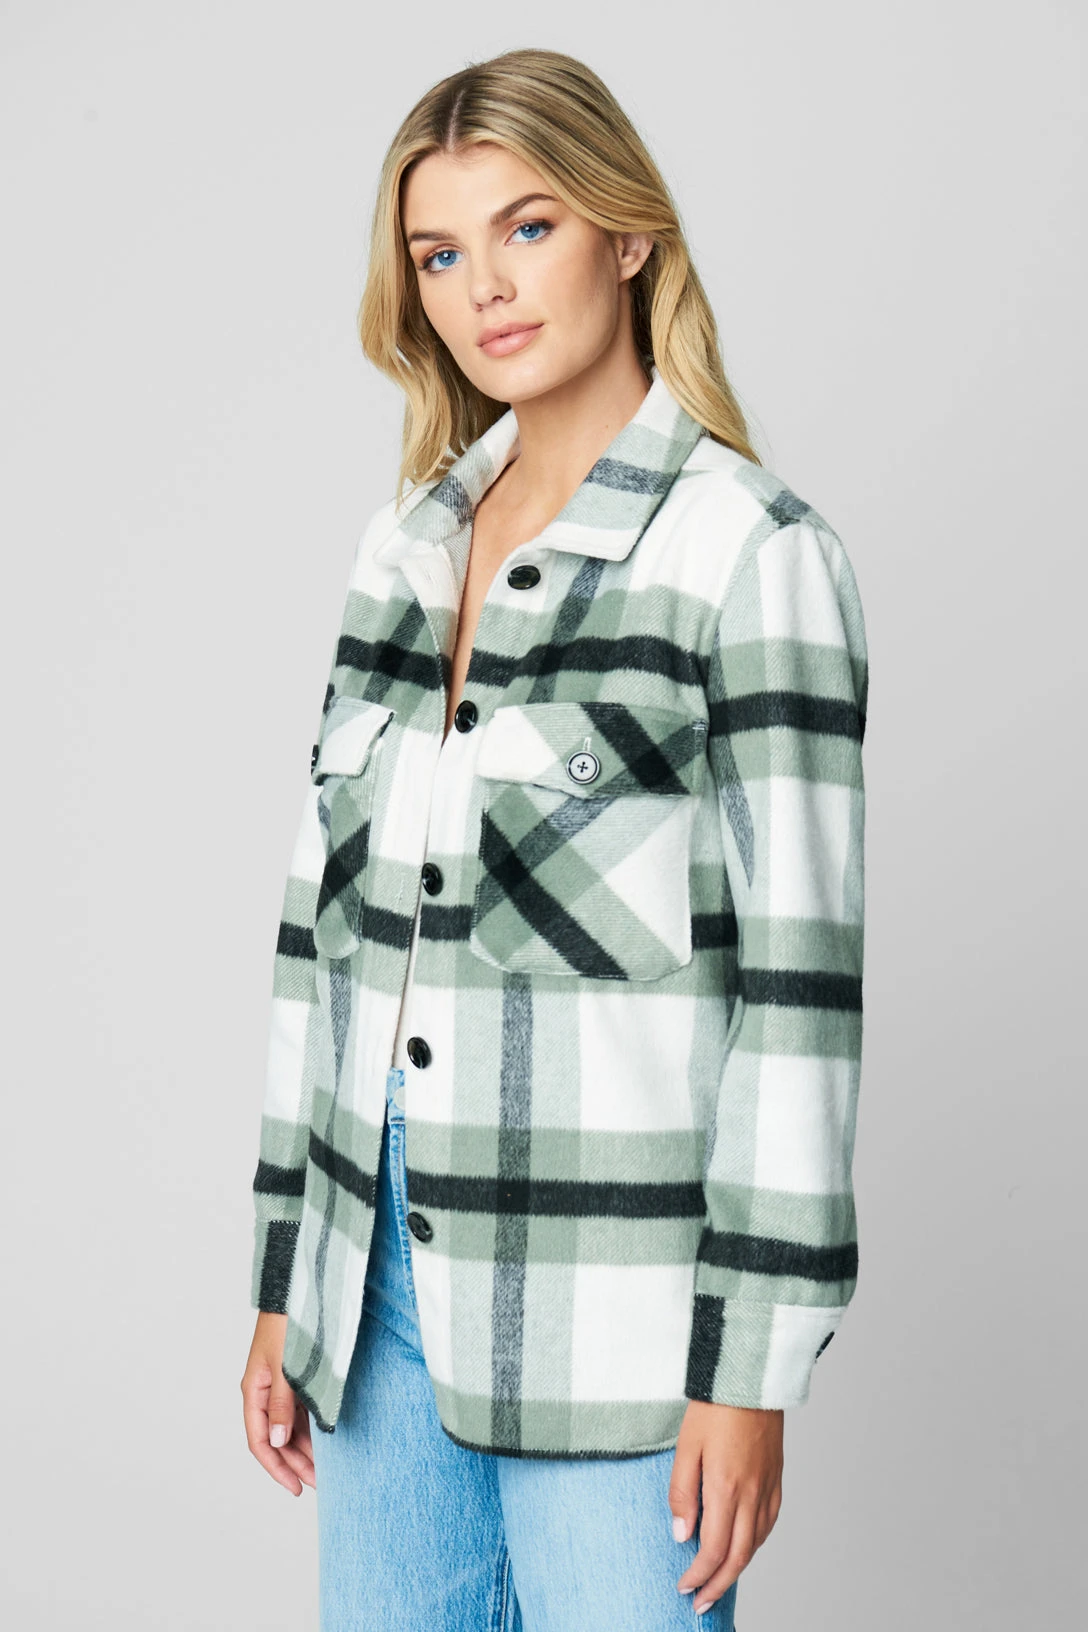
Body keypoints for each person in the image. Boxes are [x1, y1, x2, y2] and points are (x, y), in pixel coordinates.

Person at [240, 46, 869, 1631]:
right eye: (440, 254)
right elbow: (323, 946)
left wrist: (749, 1370)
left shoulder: (749, 555)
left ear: (628, 232)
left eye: (528, 228)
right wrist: (285, 1282)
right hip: (375, 1288)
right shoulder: (404, 548)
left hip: (616, 1320)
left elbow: (798, 1000)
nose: (486, 290)